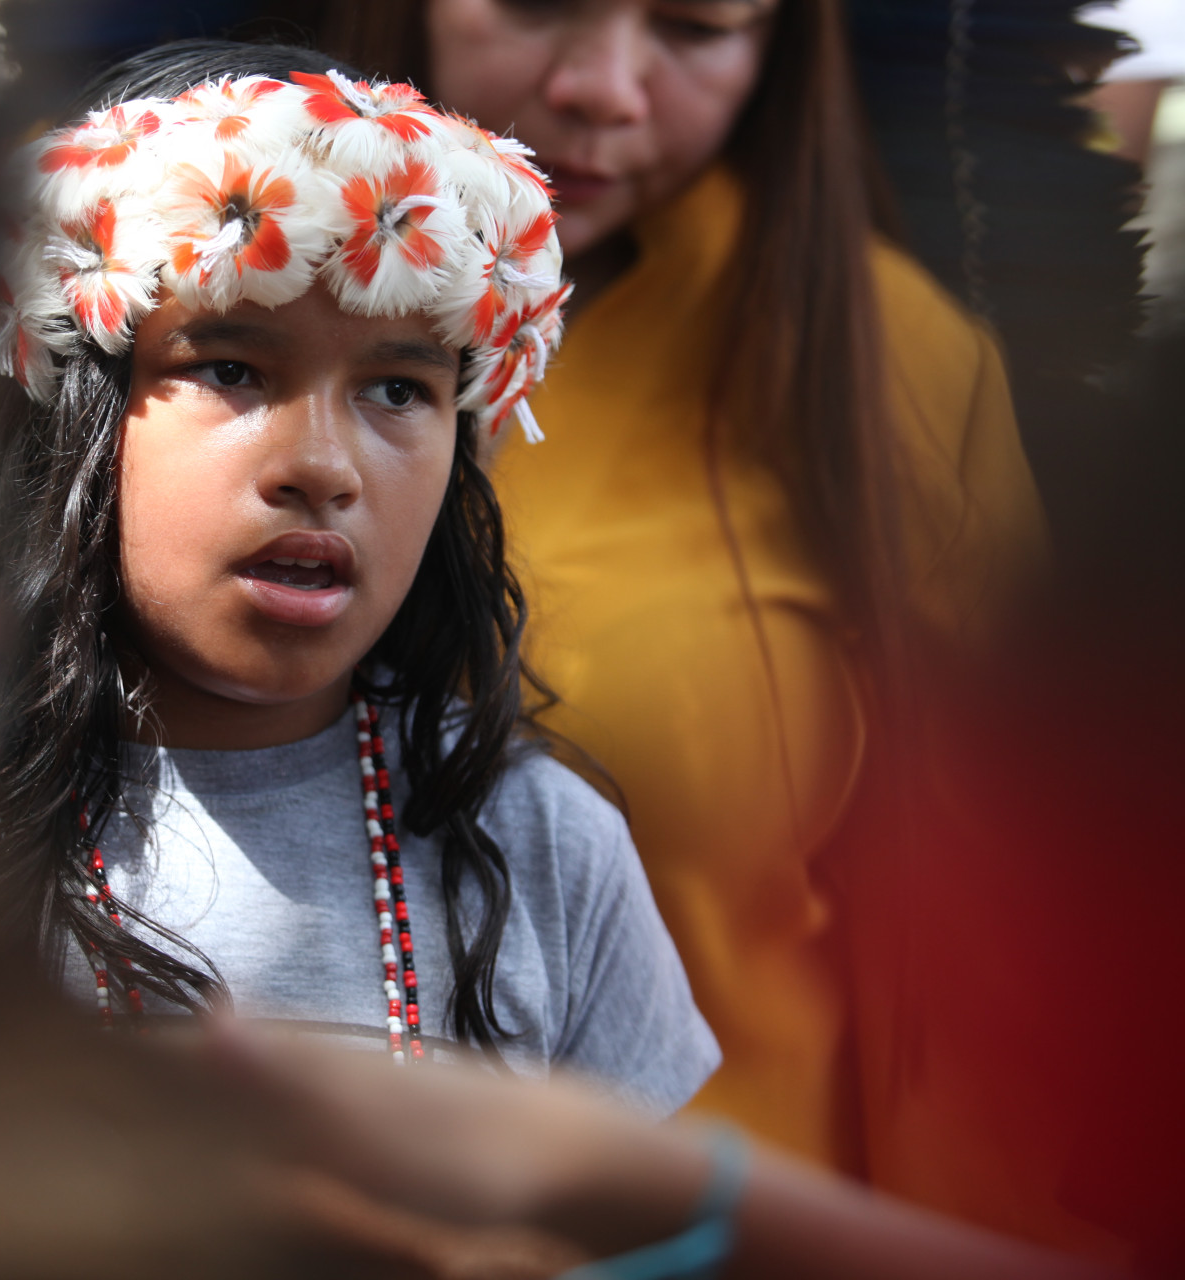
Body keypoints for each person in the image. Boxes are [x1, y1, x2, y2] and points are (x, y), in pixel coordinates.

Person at [300, 0, 1060, 1215]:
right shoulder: (168, 284)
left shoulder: (882, 357)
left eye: (698, 25)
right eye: (541, 3)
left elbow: (1008, 947)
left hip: (735, 1221)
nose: (607, 87)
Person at [0, 38, 720, 1107]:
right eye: (232, 368)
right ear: (83, 412)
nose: (322, 467)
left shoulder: (542, 845)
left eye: (398, 389)